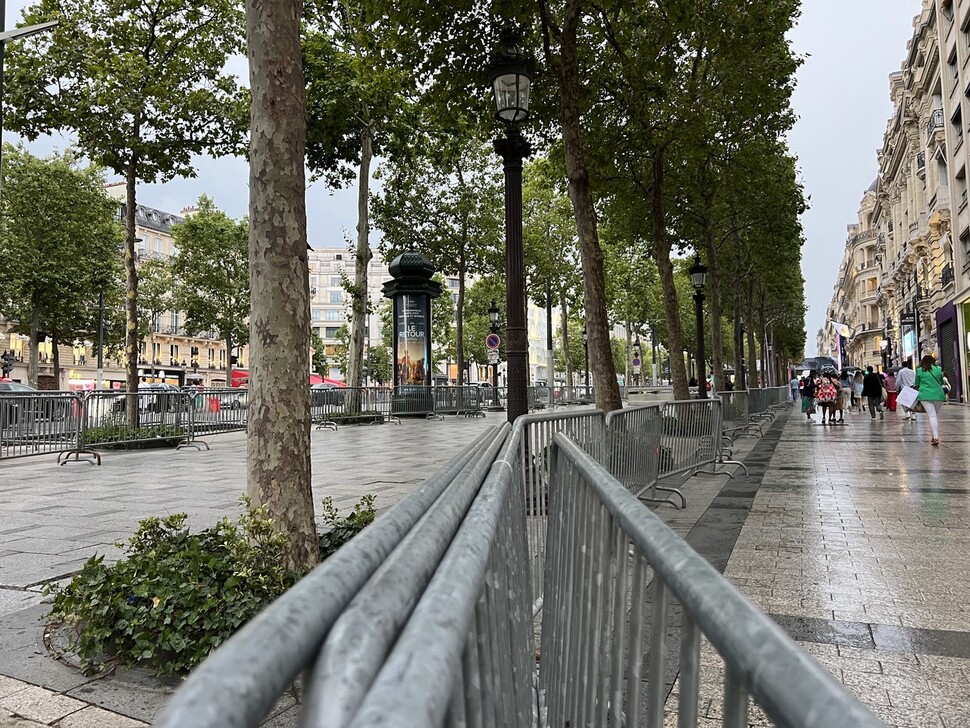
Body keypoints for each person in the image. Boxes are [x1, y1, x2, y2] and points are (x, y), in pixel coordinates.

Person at [914, 354, 946, 446]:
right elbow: (940, 381)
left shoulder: (919, 370)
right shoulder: (938, 369)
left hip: (925, 395)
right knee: (934, 415)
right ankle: (934, 437)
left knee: (932, 416)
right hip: (938, 395)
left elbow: (917, 383)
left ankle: (935, 437)